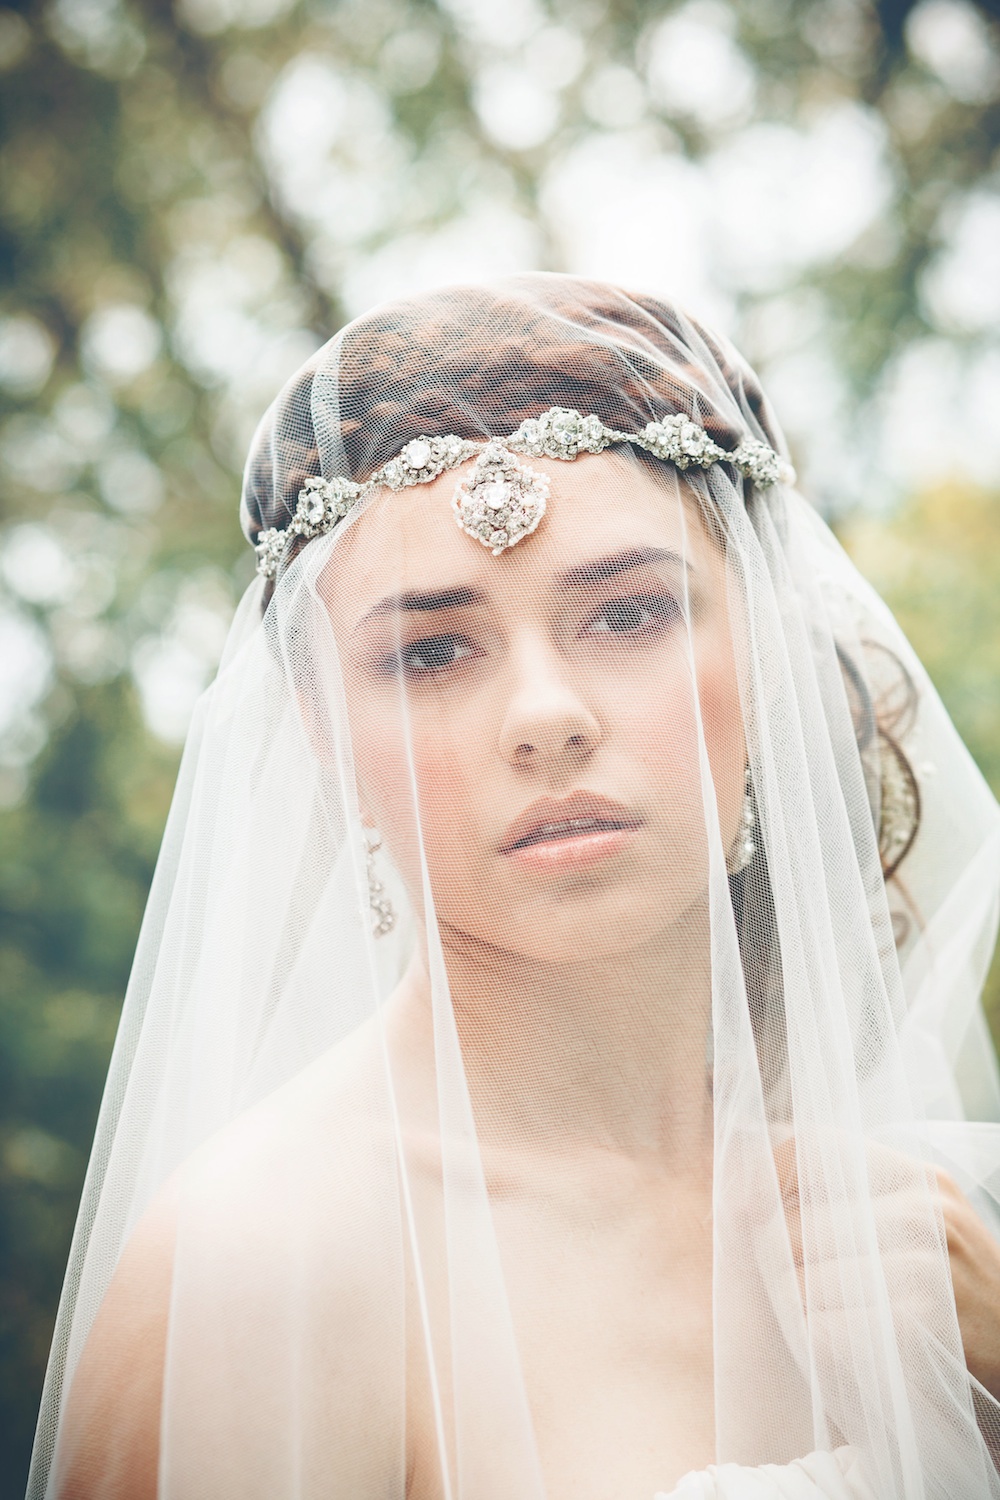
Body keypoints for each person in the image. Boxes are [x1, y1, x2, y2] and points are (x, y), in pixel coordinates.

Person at [28, 275, 1000, 1500]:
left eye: (630, 612)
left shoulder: (921, 1218)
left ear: (758, 648)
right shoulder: (263, 1267)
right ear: (323, 728)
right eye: (431, 650)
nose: (546, 717)